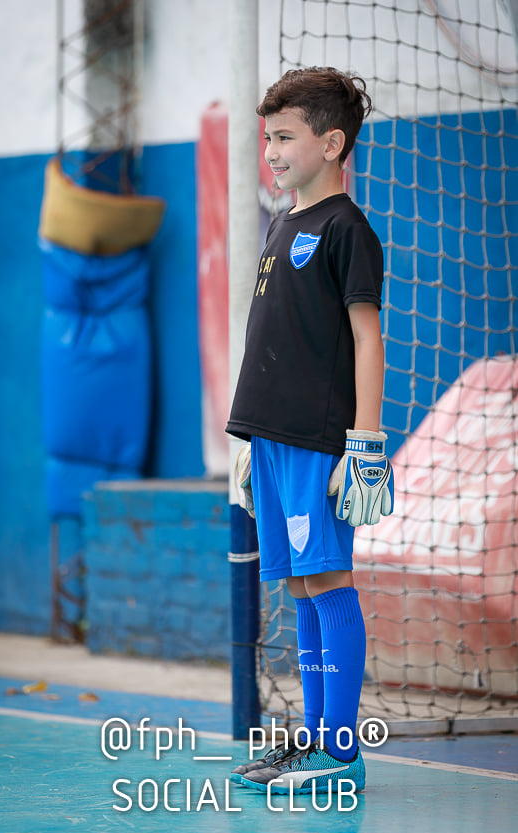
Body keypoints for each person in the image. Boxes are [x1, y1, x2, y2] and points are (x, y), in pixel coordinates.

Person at [226, 66, 394, 795]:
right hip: (271, 440)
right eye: (267, 137)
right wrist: (248, 444)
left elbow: (366, 339)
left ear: (331, 143)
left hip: (319, 442)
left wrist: (362, 444)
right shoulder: (280, 222)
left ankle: (338, 747)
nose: (270, 150)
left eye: (284, 137)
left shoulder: (346, 230)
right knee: (298, 584)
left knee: (328, 579)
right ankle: (318, 738)